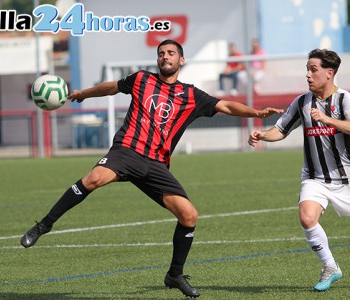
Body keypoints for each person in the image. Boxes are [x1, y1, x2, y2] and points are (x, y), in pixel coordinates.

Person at [21, 39, 283, 298]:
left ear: (181, 60)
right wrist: (82, 94)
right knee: (94, 178)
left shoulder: (191, 95)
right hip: (127, 151)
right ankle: (44, 225)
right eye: (161, 53)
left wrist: (257, 114)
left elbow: (225, 105)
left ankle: (175, 275)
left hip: (156, 164)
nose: (165, 56)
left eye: (170, 53)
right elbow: (111, 87)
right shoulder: (141, 79)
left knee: (189, 215)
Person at [248, 49, 348, 292]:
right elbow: (280, 130)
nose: (308, 75)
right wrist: (263, 134)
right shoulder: (302, 101)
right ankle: (330, 267)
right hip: (316, 179)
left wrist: (328, 120)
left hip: (347, 179)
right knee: (306, 217)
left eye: (313, 70)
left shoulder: (345, 99)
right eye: (307, 69)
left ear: (329, 73)